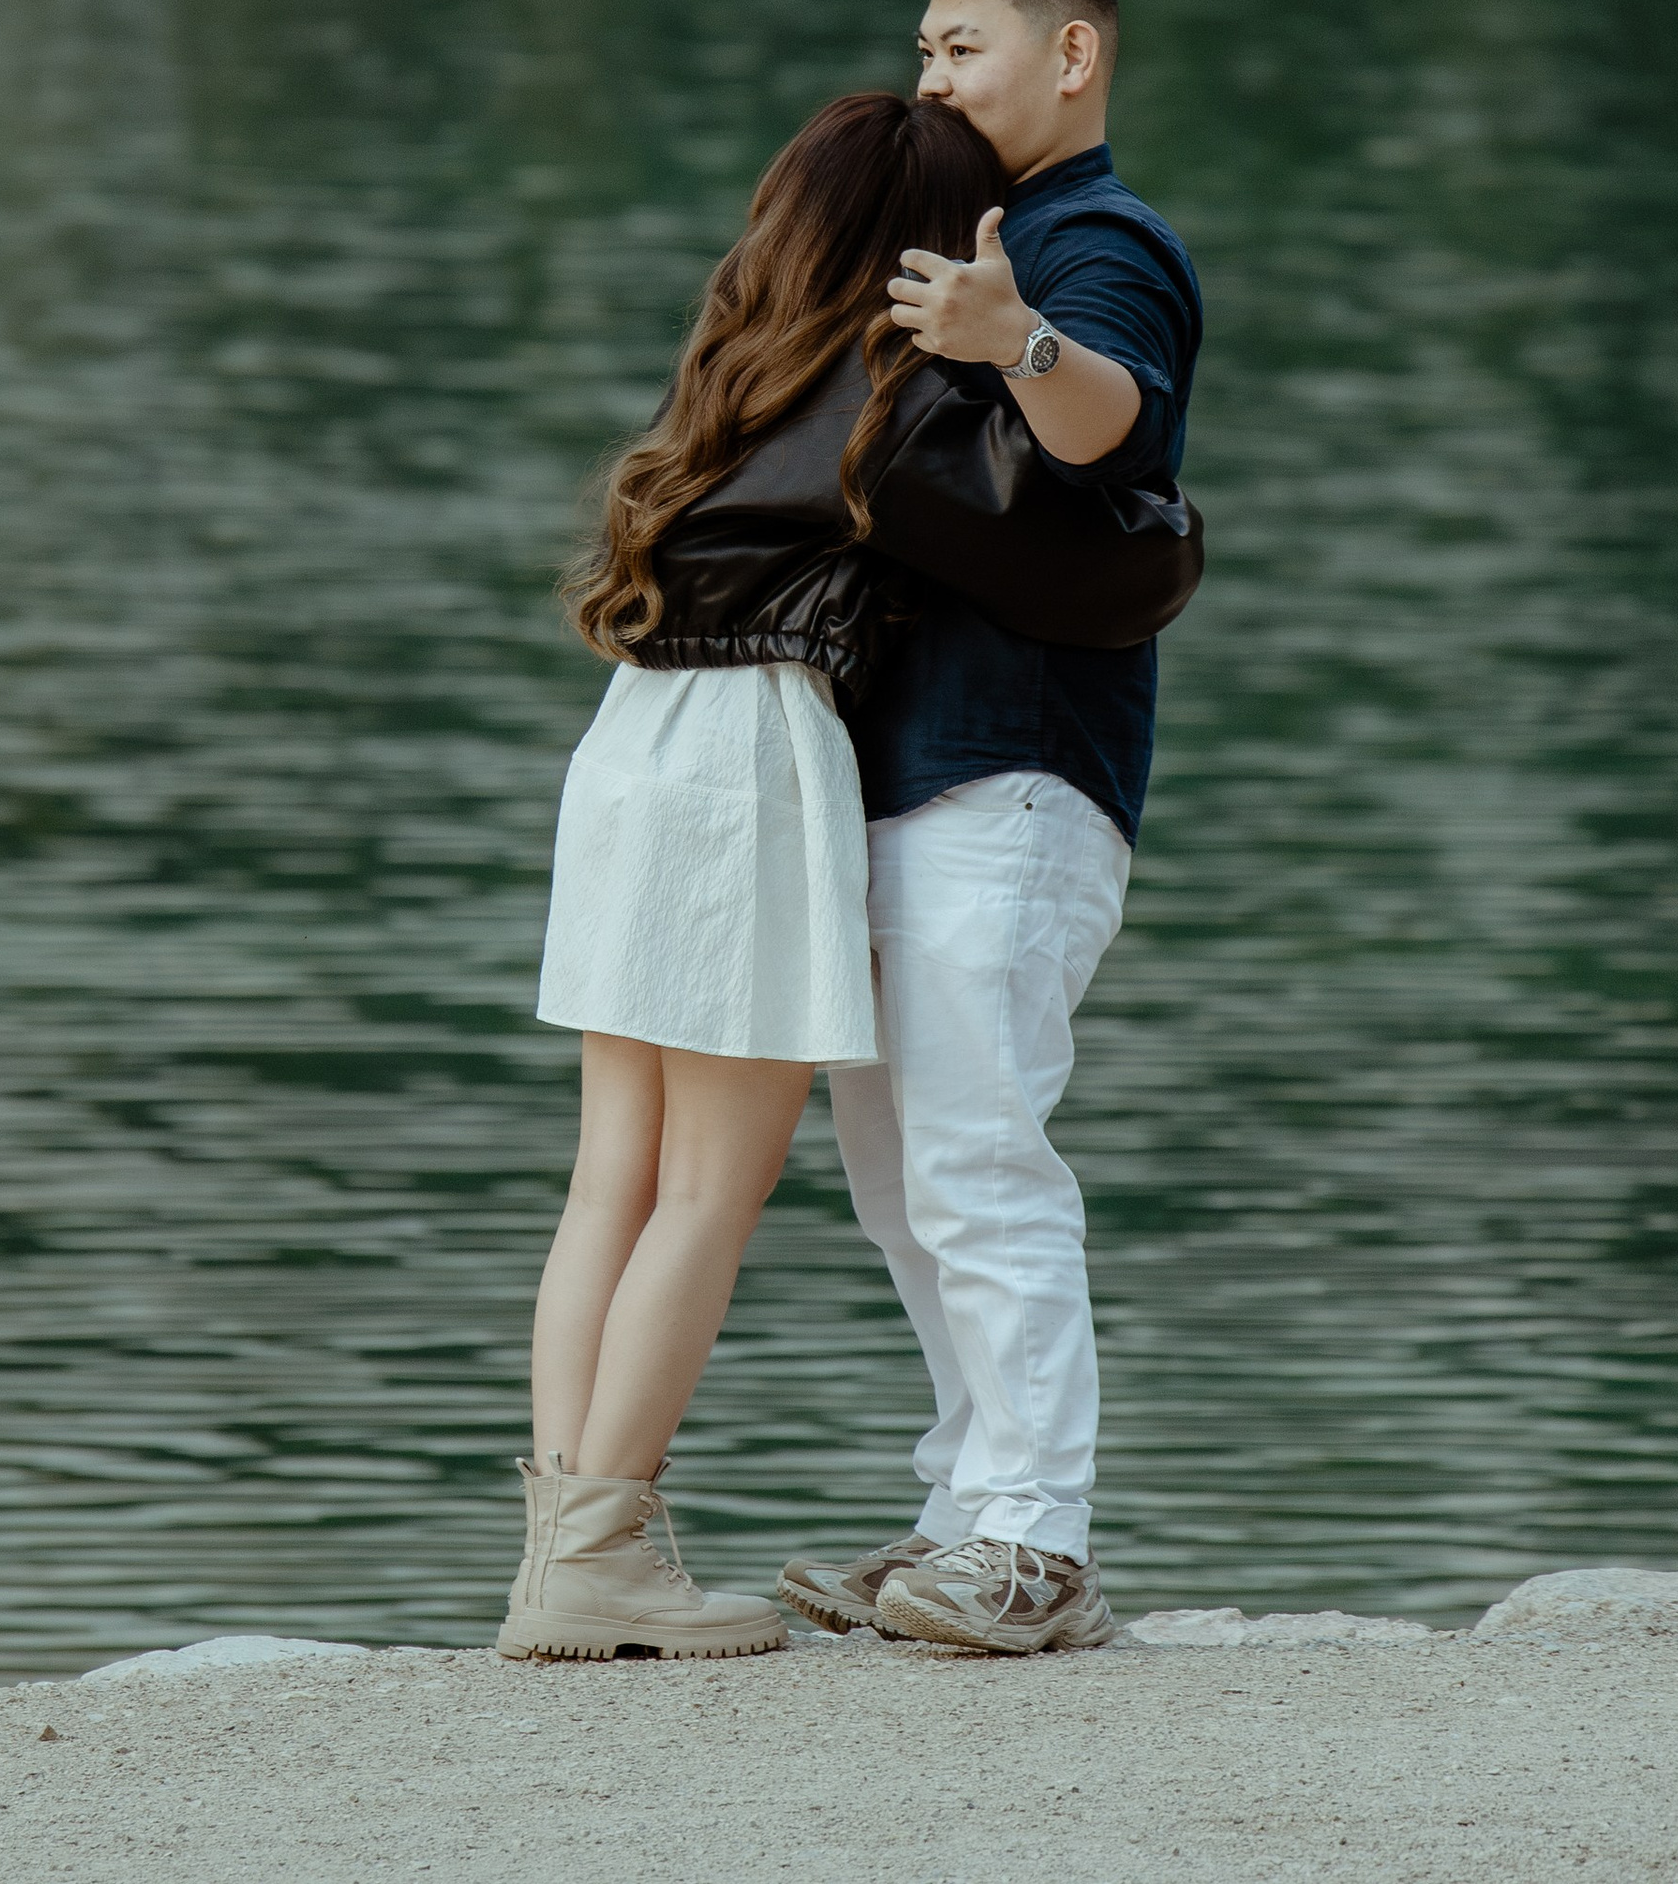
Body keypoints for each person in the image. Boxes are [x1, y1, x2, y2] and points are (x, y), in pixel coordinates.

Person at [504, 85, 1189, 1664]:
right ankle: (605, 1547)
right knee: (708, 1187)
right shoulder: (895, 397)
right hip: (749, 765)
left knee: (610, 1178)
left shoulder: (732, 365)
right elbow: (1106, 562)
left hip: (628, 747)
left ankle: (561, 1547)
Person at [780, 0, 1203, 1660]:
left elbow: (1118, 420)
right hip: (906, 776)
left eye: (964, 44)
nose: (934, 78)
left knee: (976, 1154)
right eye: (925, 48)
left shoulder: (1099, 242)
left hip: (1017, 778)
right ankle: (965, 1505)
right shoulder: (982, 235)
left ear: (1072, 48)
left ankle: (1039, 1538)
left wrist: (1016, 338)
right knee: (900, 1177)